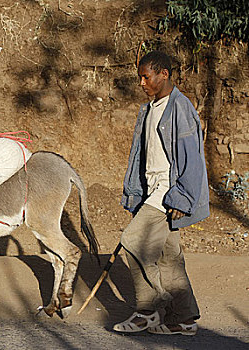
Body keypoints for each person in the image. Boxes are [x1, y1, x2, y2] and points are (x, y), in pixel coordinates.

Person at [113, 50, 209, 336]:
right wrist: (135, 193)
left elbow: (192, 156)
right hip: (152, 191)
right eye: (140, 77)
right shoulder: (149, 109)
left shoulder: (180, 107)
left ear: (164, 73)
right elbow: (143, 157)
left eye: (146, 76)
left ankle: (149, 309)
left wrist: (182, 196)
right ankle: (183, 319)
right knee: (169, 258)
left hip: (168, 193)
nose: (142, 82)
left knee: (132, 240)